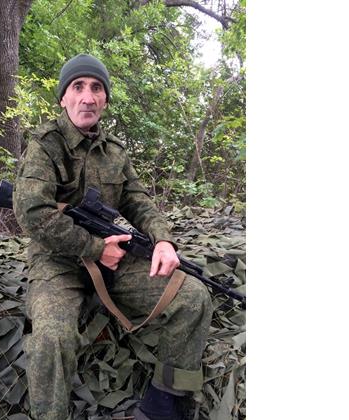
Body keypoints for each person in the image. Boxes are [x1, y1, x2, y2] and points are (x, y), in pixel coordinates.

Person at [13, 53, 213, 420]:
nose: (87, 97)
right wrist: (93, 248)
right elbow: (32, 212)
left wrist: (163, 240)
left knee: (193, 297)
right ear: (63, 97)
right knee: (52, 337)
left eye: (96, 88)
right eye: (78, 87)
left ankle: (164, 402)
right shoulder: (46, 145)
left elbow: (137, 200)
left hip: (115, 258)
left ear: (105, 99)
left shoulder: (115, 151)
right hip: (58, 260)